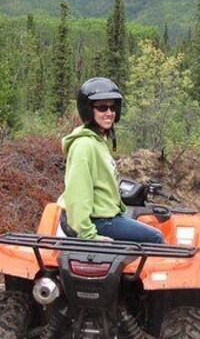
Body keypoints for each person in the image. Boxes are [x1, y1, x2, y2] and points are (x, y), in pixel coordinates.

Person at [58, 77, 164, 243]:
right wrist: (89, 235)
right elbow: (77, 194)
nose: (109, 113)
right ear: (88, 110)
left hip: (103, 216)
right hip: (97, 221)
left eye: (112, 107)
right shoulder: (85, 145)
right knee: (155, 237)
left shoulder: (97, 142)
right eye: (102, 107)